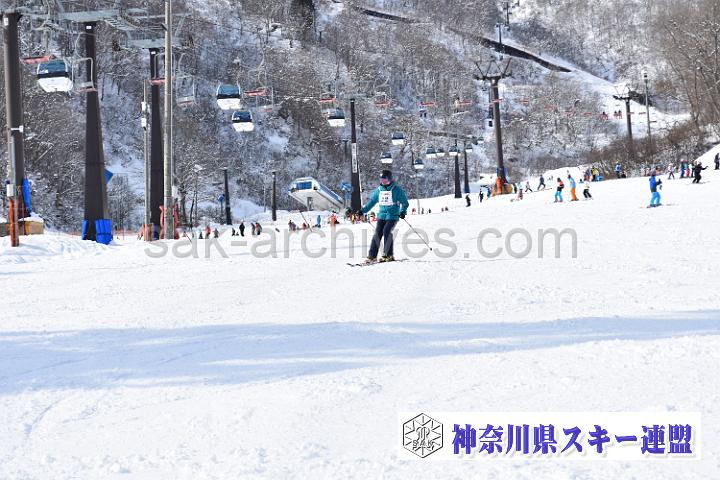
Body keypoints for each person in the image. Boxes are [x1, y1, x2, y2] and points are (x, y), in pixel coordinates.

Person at [359, 169, 409, 263]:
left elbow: (405, 203)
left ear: (389, 179)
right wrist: (362, 211)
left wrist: (403, 211)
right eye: (382, 179)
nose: (383, 182)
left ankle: (388, 255)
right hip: (382, 215)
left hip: (393, 215)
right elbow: (371, 202)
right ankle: (372, 256)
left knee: (387, 231)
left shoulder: (397, 190)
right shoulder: (379, 190)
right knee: (378, 233)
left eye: (385, 179)